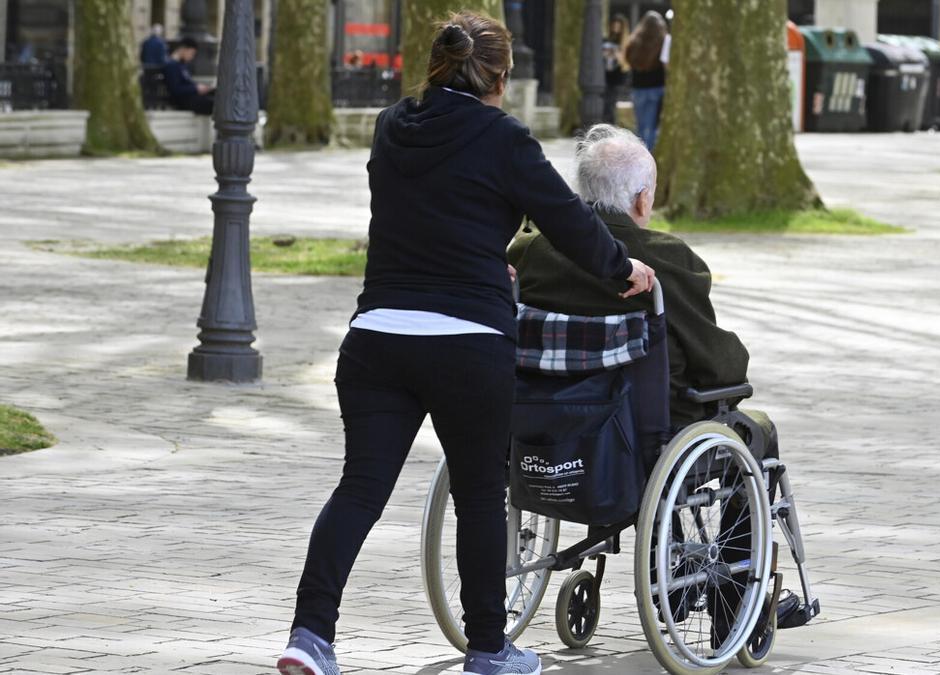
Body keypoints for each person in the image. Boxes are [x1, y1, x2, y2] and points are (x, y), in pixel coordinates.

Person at [275, 14, 655, 675]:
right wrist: (625, 269)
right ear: (501, 79)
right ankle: (488, 649)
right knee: (481, 494)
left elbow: (418, 211)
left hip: (377, 337)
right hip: (466, 344)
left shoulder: (394, 126)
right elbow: (567, 222)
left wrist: (483, 254)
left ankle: (310, 635)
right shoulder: (505, 139)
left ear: (437, 66)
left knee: (359, 489)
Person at [508, 123, 789, 638]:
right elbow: (717, 366)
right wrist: (733, 372)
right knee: (756, 431)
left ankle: (677, 563)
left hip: (546, 425)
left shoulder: (532, 249)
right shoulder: (665, 259)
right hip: (641, 439)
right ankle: (733, 605)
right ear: (641, 199)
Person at [623, 11, 670, 151]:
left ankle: (640, 154)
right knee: (652, 127)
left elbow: (627, 60)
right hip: (657, 87)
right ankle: (648, 156)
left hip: (638, 88)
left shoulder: (634, 41)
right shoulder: (664, 40)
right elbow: (666, 64)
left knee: (641, 126)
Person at [161, 37, 214, 115]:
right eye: (191, 53)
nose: (192, 57)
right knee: (216, 104)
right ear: (183, 49)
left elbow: (187, 82)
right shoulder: (171, 66)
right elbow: (175, 89)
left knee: (216, 95)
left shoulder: (182, 65)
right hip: (183, 100)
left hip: (191, 98)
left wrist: (200, 87)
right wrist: (195, 88)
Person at [602, 14, 631, 124]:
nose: (616, 29)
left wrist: (619, 57)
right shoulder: (606, 40)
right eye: (614, 26)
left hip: (617, 77)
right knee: (606, 104)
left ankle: (610, 126)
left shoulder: (625, 42)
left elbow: (626, 66)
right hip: (605, 75)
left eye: (618, 27)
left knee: (610, 104)